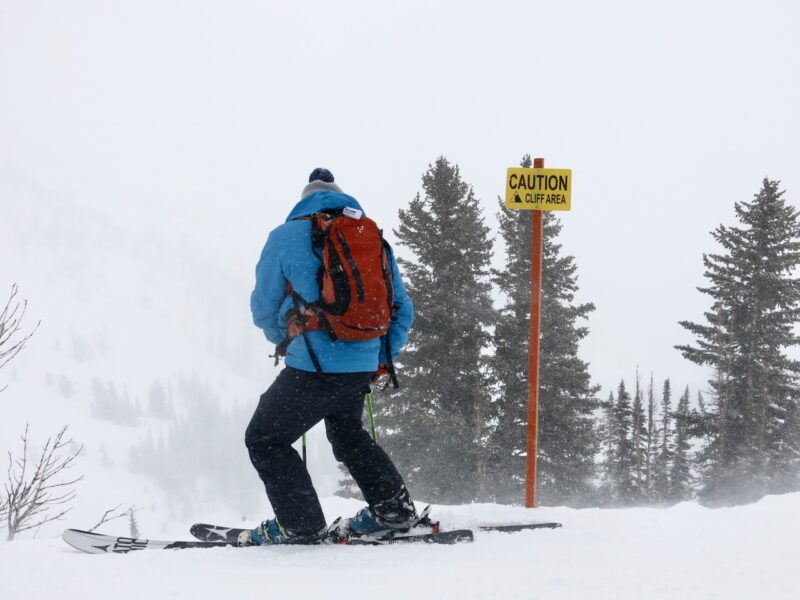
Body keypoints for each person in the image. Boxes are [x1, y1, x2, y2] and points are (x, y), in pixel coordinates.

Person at [244, 168, 416, 545]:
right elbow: (402, 308)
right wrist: (379, 356)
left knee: (264, 439)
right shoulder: (371, 237)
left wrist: (286, 339)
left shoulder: (285, 237)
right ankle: (394, 510)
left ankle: (302, 525)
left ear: (304, 200)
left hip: (313, 368)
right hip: (361, 368)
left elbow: (262, 306)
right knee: (349, 437)